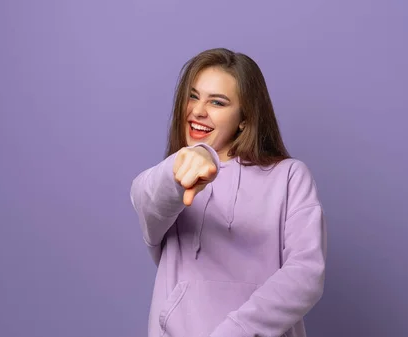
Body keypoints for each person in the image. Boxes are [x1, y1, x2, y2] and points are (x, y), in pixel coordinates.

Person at [130, 48, 327, 337]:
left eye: (217, 102)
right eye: (193, 96)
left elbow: (306, 274)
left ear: (244, 118)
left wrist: (236, 331)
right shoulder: (173, 178)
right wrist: (185, 164)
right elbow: (145, 198)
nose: (198, 111)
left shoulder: (290, 176)